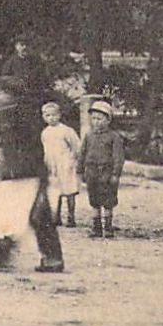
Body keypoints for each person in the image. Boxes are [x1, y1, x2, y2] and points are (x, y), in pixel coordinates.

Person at [0, 76, 65, 272]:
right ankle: (4, 253)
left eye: (2, 92)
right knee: (12, 214)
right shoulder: (8, 115)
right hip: (17, 174)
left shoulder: (24, 117)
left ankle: (48, 258)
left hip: (27, 174)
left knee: (30, 215)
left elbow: (33, 148)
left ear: (11, 95)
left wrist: (18, 169)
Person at [78, 100, 125, 238]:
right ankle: (96, 227)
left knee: (108, 199)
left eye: (100, 118)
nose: (96, 122)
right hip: (91, 171)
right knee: (94, 199)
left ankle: (108, 227)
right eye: (94, 118)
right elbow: (82, 153)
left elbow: (118, 156)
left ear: (108, 120)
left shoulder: (114, 137)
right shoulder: (88, 135)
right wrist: (80, 170)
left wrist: (116, 174)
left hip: (106, 172)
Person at [41, 101, 82, 227]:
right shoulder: (45, 132)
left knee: (69, 190)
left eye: (54, 115)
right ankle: (56, 217)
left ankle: (71, 217)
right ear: (44, 117)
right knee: (55, 191)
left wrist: (72, 161)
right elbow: (46, 150)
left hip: (66, 164)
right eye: (47, 115)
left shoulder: (66, 131)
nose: (51, 118)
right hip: (52, 166)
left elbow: (76, 147)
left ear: (59, 115)